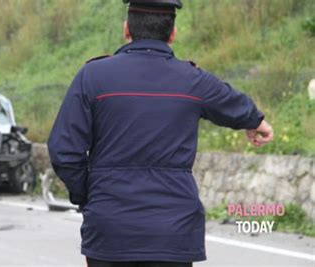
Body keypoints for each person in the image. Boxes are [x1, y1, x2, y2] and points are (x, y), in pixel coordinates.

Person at [47, 0, 274, 266]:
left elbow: (64, 150)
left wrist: (90, 196)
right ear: (173, 33)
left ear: (126, 29)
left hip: (110, 231)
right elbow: (229, 101)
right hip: (173, 233)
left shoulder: (93, 76)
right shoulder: (192, 80)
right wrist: (256, 121)